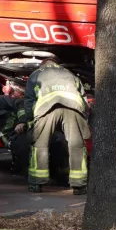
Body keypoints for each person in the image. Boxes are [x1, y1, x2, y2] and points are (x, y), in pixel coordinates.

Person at [24, 58, 90, 195]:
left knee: (40, 145)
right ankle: (79, 185)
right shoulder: (69, 73)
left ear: (43, 65)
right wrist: (84, 116)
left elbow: (29, 100)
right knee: (76, 145)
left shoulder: (36, 74)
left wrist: (30, 120)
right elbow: (83, 97)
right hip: (73, 106)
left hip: (46, 107)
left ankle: (36, 183)